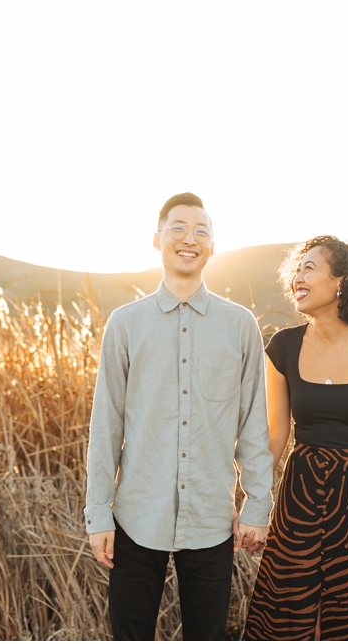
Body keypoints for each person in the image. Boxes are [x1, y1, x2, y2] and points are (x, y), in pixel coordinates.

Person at [84, 193, 273, 640]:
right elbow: (105, 425)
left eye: (201, 231)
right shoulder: (126, 323)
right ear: (157, 239)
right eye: (179, 229)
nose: (190, 239)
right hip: (135, 516)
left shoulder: (240, 324)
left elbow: (253, 424)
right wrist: (98, 513)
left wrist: (258, 503)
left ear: (212, 247)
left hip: (212, 516)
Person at [243, 235, 348, 641]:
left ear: (342, 281)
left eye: (309, 267)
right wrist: (254, 504)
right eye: (296, 269)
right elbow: (276, 434)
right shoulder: (281, 347)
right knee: (291, 612)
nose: (296, 277)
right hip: (300, 494)